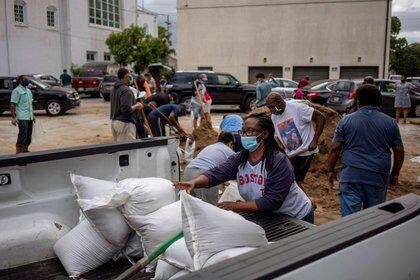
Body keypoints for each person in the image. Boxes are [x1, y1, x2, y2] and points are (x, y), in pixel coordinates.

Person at [174, 113, 314, 223]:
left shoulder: (278, 161)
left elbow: (272, 201)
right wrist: (194, 182)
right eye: (243, 132)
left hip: (295, 216)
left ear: (264, 134)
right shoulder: (239, 158)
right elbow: (217, 173)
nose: (244, 136)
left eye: (250, 131)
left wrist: (235, 206)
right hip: (271, 216)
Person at [327, 85, 405, 217]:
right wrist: (395, 173)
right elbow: (399, 151)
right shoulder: (390, 123)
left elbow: (335, 149)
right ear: (379, 101)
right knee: (374, 219)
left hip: (351, 175)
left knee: (349, 220)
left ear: (357, 100)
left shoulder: (346, 121)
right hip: (378, 176)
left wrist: (330, 170)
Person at [266, 92, 325, 187]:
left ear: (280, 102)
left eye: (272, 107)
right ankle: (303, 201)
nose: (271, 110)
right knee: (292, 180)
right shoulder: (274, 116)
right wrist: (281, 149)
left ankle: (305, 201)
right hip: (291, 155)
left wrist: (315, 140)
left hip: (305, 152)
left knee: (292, 180)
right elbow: (277, 135)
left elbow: (321, 117)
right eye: (269, 107)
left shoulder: (298, 108)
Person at [184, 132, 235, 205]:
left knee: (192, 206)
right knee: (210, 207)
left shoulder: (209, 147)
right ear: (230, 144)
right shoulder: (229, 151)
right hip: (204, 174)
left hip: (188, 171)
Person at [110, 68, 144, 141]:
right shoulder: (126, 90)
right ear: (126, 76)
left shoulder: (114, 89)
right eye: (129, 76)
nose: (130, 78)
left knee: (121, 150)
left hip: (115, 123)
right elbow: (126, 109)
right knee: (129, 150)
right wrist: (137, 105)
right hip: (125, 124)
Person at [11, 75, 34, 153]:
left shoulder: (28, 91)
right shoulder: (16, 91)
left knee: (29, 135)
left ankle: (25, 149)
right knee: (22, 134)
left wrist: (33, 116)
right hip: (22, 116)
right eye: (25, 79)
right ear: (21, 81)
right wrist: (13, 118)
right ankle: (19, 151)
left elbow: (30, 104)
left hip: (29, 116)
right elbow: (12, 104)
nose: (27, 80)